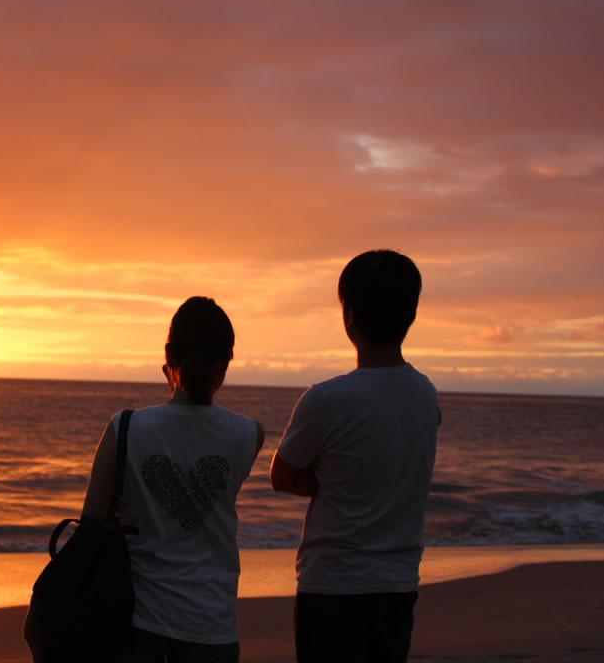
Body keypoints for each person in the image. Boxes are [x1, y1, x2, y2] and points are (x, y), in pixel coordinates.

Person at [270, 249, 440, 663]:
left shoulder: (327, 399)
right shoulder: (425, 395)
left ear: (348, 318)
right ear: (411, 316)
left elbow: (282, 475)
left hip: (332, 586)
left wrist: (331, 482)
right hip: (398, 584)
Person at [82, 296, 265, 663]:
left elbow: (90, 521)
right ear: (225, 363)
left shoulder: (127, 427)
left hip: (134, 620)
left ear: (169, 355)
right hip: (212, 624)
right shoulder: (248, 434)